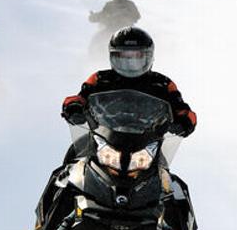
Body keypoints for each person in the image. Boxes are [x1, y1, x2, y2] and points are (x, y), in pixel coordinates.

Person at [61, 27, 195, 160]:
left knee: (166, 176)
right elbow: (80, 98)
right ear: (113, 57)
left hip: (146, 145)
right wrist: (73, 107)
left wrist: (185, 121)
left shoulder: (163, 84)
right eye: (124, 57)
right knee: (73, 160)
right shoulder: (100, 79)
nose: (130, 63)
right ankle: (58, 180)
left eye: (137, 57)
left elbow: (182, 109)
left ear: (149, 57)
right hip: (103, 139)